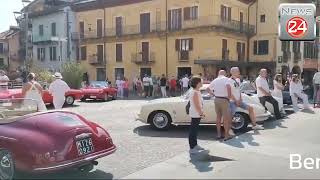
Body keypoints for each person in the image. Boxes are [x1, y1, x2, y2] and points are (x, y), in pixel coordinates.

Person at [227, 67, 264, 131]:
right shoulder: (229, 81)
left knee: (250, 108)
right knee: (230, 116)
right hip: (232, 102)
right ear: (233, 72)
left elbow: (238, 90)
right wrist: (236, 101)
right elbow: (229, 94)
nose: (239, 72)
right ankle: (229, 129)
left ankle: (254, 125)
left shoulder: (238, 80)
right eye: (238, 71)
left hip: (238, 100)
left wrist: (240, 98)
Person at [207, 70, 233, 140]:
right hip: (224, 99)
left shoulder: (215, 80)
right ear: (225, 74)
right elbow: (228, 87)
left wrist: (213, 94)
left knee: (218, 117)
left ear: (218, 74)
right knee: (225, 118)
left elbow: (208, 88)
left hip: (216, 99)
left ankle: (218, 134)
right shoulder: (226, 79)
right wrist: (229, 97)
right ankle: (226, 135)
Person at [188, 76, 208, 154]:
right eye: (201, 82)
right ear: (197, 83)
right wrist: (201, 113)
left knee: (195, 130)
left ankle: (195, 145)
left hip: (196, 112)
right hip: (195, 113)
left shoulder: (197, 91)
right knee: (193, 130)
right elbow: (197, 105)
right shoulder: (195, 92)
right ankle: (192, 147)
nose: (202, 83)